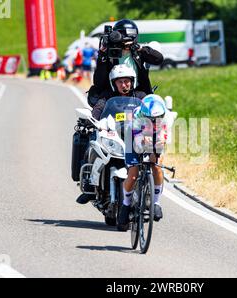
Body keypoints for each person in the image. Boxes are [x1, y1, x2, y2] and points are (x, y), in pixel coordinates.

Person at [76, 64, 146, 205]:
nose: (124, 85)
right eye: (120, 82)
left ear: (133, 81)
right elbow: (98, 109)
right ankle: (90, 185)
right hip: (112, 134)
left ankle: (146, 189)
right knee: (92, 146)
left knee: (148, 160)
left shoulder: (140, 96)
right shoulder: (107, 97)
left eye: (127, 81)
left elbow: (149, 111)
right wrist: (91, 121)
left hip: (133, 137)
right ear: (114, 83)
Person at [117, 94, 168, 231]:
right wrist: (143, 142)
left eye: (159, 118)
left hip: (154, 137)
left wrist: (158, 147)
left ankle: (156, 203)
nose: (156, 121)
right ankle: (126, 204)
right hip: (134, 137)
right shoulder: (136, 117)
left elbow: (162, 137)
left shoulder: (164, 118)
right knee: (133, 174)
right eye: (152, 119)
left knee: (156, 166)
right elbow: (138, 143)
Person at [92, 19, 164, 95]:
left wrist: (140, 48)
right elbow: (98, 82)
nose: (126, 45)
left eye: (129, 42)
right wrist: (102, 56)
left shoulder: (138, 52)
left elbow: (159, 59)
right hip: (113, 97)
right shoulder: (110, 54)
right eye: (123, 42)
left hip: (138, 94)